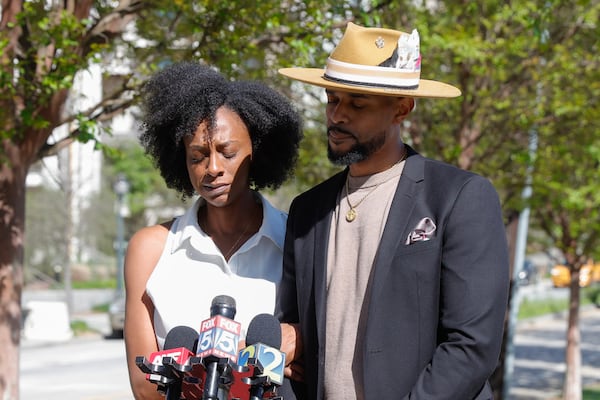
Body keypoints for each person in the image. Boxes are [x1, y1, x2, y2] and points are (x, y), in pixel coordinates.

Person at [275, 22, 510, 399]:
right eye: (332, 99)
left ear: (402, 109)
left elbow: (472, 346)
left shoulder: (460, 197)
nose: (337, 116)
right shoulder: (307, 211)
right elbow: (292, 332)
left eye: (356, 104)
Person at [123, 62, 302, 400]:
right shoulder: (149, 249)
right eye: (197, 156)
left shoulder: (299, 239)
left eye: (228, 152)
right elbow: (144, 385)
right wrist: (248, 368)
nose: (213, 169)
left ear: (258, 151)